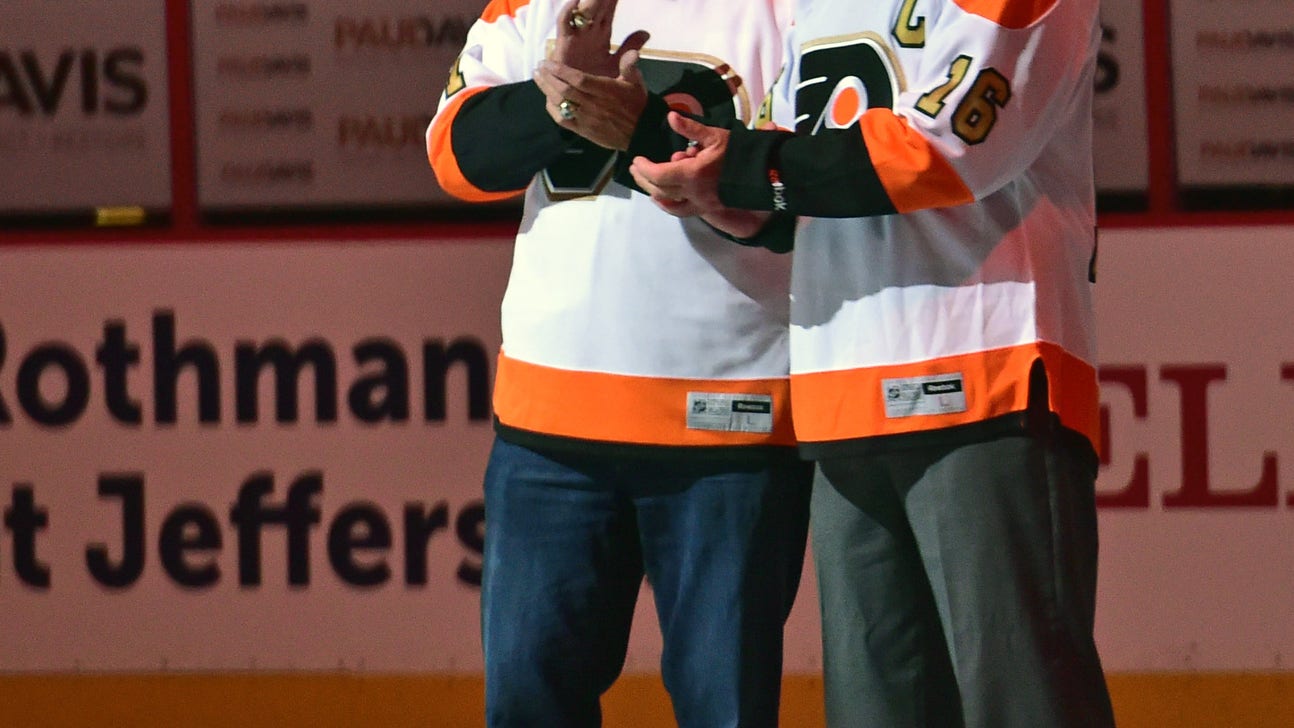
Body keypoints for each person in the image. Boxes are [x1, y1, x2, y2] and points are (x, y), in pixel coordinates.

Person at [621, 0, 1118, 725]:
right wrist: (727, 196)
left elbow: (951, 144)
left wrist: (757, 166)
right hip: (842, 387)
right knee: (874, 711)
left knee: (1023, 703)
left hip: (985, 375)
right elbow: (808, 177)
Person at [425, 1, 811, 726]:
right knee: (526, 705)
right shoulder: (544, 4)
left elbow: (806, 199)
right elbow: (456, 156)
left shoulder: (796, 10)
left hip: (731, 419)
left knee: (724, 709)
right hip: (549, 421)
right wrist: (567, 99)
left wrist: (634, 123)